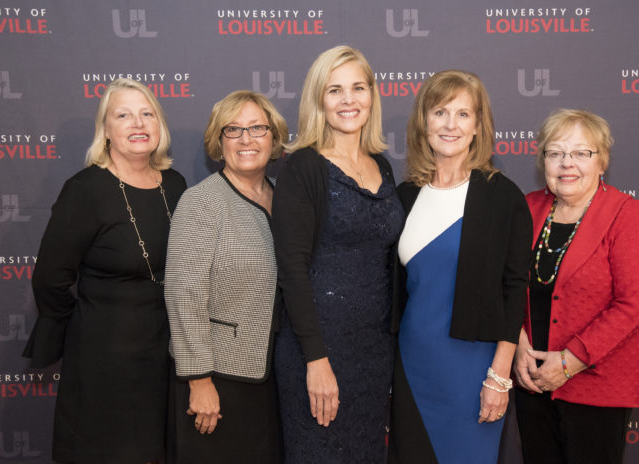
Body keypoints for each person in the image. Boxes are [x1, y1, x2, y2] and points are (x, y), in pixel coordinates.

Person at [22, 78, 186, 463]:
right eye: (123, 115)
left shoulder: (175, 186)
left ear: (160, 125)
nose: (138, 123)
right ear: (107, 130)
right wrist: (87, 320)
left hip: (166, 356)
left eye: (147, 114)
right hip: (104, 360)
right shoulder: (85, 190)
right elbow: (50, 278)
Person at [388, 70, 533, 464]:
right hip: (412, 364)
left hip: (473, 371)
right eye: (440, 112)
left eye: (463, 114)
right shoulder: (404, 196)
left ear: (478, 126)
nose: (450, 124)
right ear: (424, 122)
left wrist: (499, 377)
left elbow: (514, 288)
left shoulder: (502, 197)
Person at [272, 45, 404, 463]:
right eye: (335, 90)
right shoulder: (303, 167)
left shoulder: (382, 166)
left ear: (372, 96)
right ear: (319, 100)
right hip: (318, 351)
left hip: (373, 352)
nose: (348, 100)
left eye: (358, 88)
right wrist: (316, 359)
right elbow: (291, 269)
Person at [512, 109, 639, 464]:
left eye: (581, 153)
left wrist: (568, 362)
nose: (568, 164)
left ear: (602, 161)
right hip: (532, 381)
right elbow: (506, 285)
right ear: (542, 160)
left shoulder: (628, 215)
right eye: (556, 152)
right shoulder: (528, 208)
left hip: (597, 384)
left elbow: (635, 304)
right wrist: (518, 347)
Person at [164, 90, 288, 463]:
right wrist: (199, 380)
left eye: (257, 128)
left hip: (274, 378)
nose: (246, 139)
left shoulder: (284, 199)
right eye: (233, 130)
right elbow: (183, 293)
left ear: (274, 138)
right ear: (219, 141)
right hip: (218, 379)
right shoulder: (201, 202)